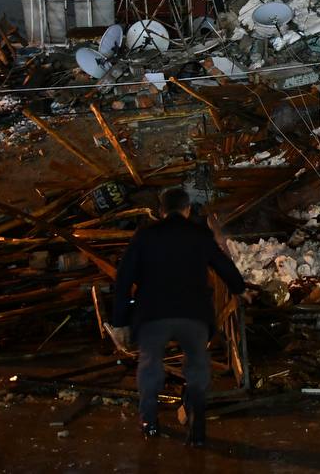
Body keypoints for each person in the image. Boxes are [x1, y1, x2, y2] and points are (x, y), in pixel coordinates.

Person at [111, 187, 250, 447]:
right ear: (187, 210)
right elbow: (223, 265)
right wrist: (240, 289)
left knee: (150, 366)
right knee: (197, 367)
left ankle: (149, 423)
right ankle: (197, 429)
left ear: (161, 212)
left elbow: (124, 278)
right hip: (193, 313)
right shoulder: (199, 235)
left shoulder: (145, 236)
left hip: (153, 313)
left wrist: (120, 321)